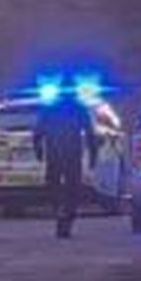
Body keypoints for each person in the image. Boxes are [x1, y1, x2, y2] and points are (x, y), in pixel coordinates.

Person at [33, 92, 99, 238]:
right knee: (73, 188)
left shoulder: (49, 109)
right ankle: (67, 215)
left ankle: (59, 211)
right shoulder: (79, 109)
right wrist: (93, 156)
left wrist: (38, 151)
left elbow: (37, 132)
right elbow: (90, 133)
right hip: (73, 155)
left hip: (54, 154)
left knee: (53, 185)